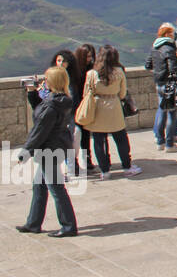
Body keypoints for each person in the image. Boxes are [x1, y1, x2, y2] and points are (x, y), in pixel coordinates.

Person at [16, 66, 78, 237]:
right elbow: (41, 111)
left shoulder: (52, 105)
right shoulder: (61, 100)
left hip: (49, 150)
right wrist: (32, 93)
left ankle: (68, 226)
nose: (44, 82)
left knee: (56, 189)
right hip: (57, 146)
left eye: (46, 79)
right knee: (39, 186)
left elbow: (40, 130)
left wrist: (25, 152)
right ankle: (33, 223)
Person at [84, 45, 142, 178]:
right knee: (121, 139)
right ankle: (127, 167)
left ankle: (105, 171)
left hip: (97, 107)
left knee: (99, 141)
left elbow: (86, 93)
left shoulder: (92, 73)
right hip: (114, 106)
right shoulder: (119, 72)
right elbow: (122, 94)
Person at [145, 23, 177, 151]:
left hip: (159, 83)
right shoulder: (169, 48)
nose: (173, 36)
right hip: (170, 84)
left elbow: (148, 65)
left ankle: (160, 142)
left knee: (162, 111)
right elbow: (172, 68)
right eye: (172, 33)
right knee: (172, 113)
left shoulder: (154, 47)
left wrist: (158, 73)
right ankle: (169, 144)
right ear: (167, 34)